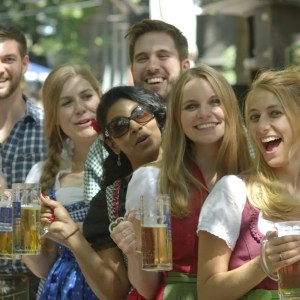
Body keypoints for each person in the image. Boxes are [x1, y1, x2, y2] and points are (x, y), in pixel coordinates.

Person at [111, 64, 253, 299]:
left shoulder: (254, 176)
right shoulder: (151, 181)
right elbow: (147, 288)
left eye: (215, 102)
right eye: (191, 106)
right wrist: (134, 253)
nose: (204, 113)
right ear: (177, 117)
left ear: (229, 108)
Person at [39, 85, 166, 299]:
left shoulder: (196, 174)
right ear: (112, 144)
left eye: (140, 114)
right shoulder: (109, 202)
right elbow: (114, 291)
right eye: (119, 126)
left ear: (157, 118)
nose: (134, 126)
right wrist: (72, 236)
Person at [196, 66, 300, 299]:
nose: (261, 126)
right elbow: (207, 293)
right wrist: (263, 264)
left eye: (275, 113)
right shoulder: (233, 191)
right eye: (254, 117)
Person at [84, 18, 190, 203]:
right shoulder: (102, 148)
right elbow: (93, 214)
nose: (152, 66)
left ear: (185, 66)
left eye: (163, 56)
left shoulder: (205, 127)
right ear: (132, 71)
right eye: (143, 58)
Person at [22, 63, 102, 299]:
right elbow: (41, 267)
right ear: (54, 116)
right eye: (67, 103)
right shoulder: (41, 175)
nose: (80, 108)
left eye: (87, 96)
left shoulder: (129, 164)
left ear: (101, 99)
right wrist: (15, 217)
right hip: (60, 289)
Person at [0, 23, 47, 300]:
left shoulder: (49, 131)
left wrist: (5, 198)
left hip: (30, 283)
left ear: (25, 63)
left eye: (8, 59)